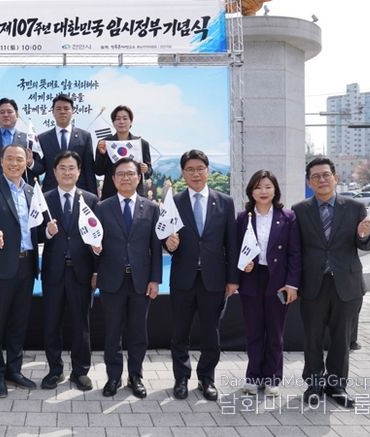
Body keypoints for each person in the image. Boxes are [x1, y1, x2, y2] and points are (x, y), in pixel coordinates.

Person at [293, 156, 370, 408]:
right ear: (309, 182)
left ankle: (336, 385)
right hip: (313, 284)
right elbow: (295, 250)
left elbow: (366, 244)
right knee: (312, 337)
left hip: (347, 285)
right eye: (315, 176)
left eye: (326, 175)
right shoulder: (299, 211)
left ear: (335, 178)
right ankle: (314, 383)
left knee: (341, 339)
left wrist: (364, 235)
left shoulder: (355, 207)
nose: (322, 180)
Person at [163, 149, 239, 402]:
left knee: (211, 333)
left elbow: (231, 243)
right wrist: (168, 245)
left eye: (200, 169)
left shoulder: (225, 202)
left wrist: (232, 279)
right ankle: (181, 378)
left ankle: (207, 378)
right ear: (182, 173)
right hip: (183, 278)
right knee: (179, 333)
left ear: (208, 170)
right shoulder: (174, 202)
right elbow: (164, 235)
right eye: (189, 170)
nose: (195, 174)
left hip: (213, 279)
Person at [93, 157, 162, 398]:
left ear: (138, 177)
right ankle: (113, 377)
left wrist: (155, 280)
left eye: (130, 173)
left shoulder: (151, 208)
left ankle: (136, 376)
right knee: (112, 332)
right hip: (111, 280)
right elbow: (94, 242)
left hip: (141, 281)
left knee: (138, 332)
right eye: (120, 174)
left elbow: (155, 247)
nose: (126, 178)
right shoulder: (102, 207)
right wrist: (95, 255)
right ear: (113, 179)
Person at [0, 144, 39, 398]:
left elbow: (37, 225)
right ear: (1, 161)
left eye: (20, 159)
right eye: (10, 159)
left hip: (27, 264)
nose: (15, 163)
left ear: (27, 162)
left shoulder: (32, 191)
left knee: (18, 322)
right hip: (1, 265)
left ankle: (14, 370)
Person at [236, 170, 301, 396]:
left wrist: (292, 284)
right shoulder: (243, 218)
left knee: (275, 332)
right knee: (254, 332)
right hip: (251, 279)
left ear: (275, 190)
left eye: (267, 187)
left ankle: (273, 377)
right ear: (251, 192)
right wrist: (242, 265)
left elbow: (295, 253)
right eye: (258, 187)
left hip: (278, 281)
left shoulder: (288, 217)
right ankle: (253, 377)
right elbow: (235, 249)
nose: (263, 191)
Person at [39, 151, 98, 391]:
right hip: (53, 271)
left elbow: (97, 237)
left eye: (71, 167)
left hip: (81, 272)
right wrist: (47, 232)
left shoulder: (91, 200)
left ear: (79, 171)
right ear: (54, 172)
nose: (67, 172)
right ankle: (55, 370)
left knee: (81, 324)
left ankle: (80, 371)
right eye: (62, 168)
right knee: (51, 323)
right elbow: (34, 233)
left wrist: (96, 271)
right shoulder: (44, 199)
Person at [32, 94, 97, 195]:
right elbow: (41, 168)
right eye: (58, 109)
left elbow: (89, 170)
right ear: (53, 112)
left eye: (66, 108)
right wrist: (30, 162)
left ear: (73, 111)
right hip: (51, 192)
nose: (62, 112)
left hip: (79, 192)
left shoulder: (85, 136)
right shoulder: (42, 138)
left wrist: (93, 196)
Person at [94, 105, 153, 200]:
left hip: (136, 195)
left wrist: (145, 170)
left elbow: (148, 172)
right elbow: (99, 171)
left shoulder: (141, 143)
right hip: (111, 195)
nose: (121, 122)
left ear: (131, 121)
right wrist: (102, 154)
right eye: (118, 119)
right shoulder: (104, 143)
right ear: (113, 123)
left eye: (125, 118)